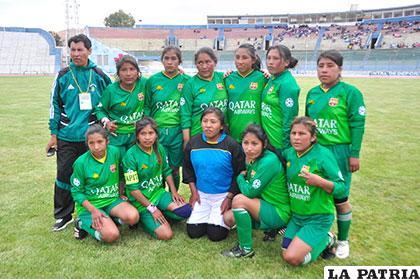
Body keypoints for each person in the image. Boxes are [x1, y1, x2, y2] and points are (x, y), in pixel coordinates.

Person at [46, 34, 112, 231]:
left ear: (89, 51)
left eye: (80, 50)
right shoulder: (63, 75)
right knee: (64, 175)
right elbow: (54, 106)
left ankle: (91, 212)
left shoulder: (99, 75)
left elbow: (111, 99)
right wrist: (53, 134)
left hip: (92, 138)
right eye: (72, 50)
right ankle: (63, 215)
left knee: (93, 175)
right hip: (67, 136)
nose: (76, 54)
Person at [305, 50, 366, 259]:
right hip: (316, 151)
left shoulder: (350, 92)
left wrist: (354, 153)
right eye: (321, 65)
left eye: (330, 65)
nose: (324, 70)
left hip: (339, 151)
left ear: (340, 68)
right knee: (317, 195)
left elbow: (358, 124)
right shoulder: (312, 93)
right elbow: (307, 126)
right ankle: (324, 237)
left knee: (340, 196)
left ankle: (343, 240)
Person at [282, 117, 345, 265]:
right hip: (297, 216)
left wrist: (320, 182)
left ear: (313, 137)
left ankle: (328, 239)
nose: (296, 138)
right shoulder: (289, 154)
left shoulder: (323, 155)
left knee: (293, 258)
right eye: (293, 133)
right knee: (285, 252)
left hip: (318, 218)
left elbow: (341, 188)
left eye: (302, 134)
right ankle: (316, 239)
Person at [221, 124, 291, 258]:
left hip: (278, 211)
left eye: (254, 143)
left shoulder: (269, 161)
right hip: (264, 205)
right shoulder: (252, 158)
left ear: (264, 144)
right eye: (245, 143)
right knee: (228, 219)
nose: (249, 148)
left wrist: (240, 177)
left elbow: (249, 192)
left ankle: (245, 249)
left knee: (239, 200)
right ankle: (271, 229)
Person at [123, 117, 192, 240]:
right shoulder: (130, 156)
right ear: (137, 136)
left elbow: (166, 170)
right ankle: (143, 219)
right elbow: (133, 189)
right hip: (142, 202)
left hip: (158, 194)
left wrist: (174, 191)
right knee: (166, 235)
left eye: (151, 133)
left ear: (156, 135)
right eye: (143, 133)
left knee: (186, 211)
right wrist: (152, 208)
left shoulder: (159, 148)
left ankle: (163, 210)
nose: (147, 137)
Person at [183, 107, 245, 241]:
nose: (208, 125)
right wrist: (194, 192)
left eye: (213, 122)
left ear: (221, 126)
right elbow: (188, 170)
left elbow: (239, 173)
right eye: (205, 121)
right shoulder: (193, 143)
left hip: (223, 196)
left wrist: (229, 198)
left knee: (216, 235)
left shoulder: (231, 145)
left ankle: (228, 218)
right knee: (194, 232)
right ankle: (206, 215)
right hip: (202, 195)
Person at [70, 124, 139, 242]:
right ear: (87, 144)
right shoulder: (81, 163)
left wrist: (120, 192)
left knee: (134, 217)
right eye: (91, 143)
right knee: (111, 235)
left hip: (111, 200)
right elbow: (77, 192)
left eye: (100, 141)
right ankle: (81, 223)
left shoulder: (115, 152)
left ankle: (110, 219)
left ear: (107, 141)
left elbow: (121, 174)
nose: (96, 147)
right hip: (91, 205)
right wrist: (93, 210)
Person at [145, 46, 190, 190]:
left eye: (173, 59)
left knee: (174, 168)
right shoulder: (153, 80)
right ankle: (160, 197)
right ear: (162, 60)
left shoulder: (187, 81)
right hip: (157, 132)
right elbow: (147, 106)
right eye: (166, 58)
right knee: (158, 167)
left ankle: (173, 196)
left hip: (177, 132)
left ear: (179, 61)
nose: (170, 62)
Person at [95, 54, 147, 158]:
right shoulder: (111, 90)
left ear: (138, 72)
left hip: (137, 135)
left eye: (132, 69)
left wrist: (178, 71)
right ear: (118, 73)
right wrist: (107, 122)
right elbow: (100, 110)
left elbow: (162, 81)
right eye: (124, 70)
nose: (128, 73)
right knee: (117, 168)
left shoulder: (145, 84)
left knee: (135, 168)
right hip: (116, 136)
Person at [180, 47, 228, 147]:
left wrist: (266, 74)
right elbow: (185, 114)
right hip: (199, 136)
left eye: (208, 62)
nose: (204, 66)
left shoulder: (224, 78)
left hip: (221, 136)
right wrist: (187, 140)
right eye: (200, 62)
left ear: (215, 62)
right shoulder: (190, 84)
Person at [261, 44, 300, 152]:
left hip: (279, 144)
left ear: (286, 62)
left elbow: (289, 119)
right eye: (268, 58)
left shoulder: (287, 84)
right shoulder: (272, 79)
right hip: (267, 141)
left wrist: (286, 146)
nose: (270, 62)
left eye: (275, 58)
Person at [225, 44, 267, 143]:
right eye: (237, 57)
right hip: (233, 135)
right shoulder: (227, 78)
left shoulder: (263, 78)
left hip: (255, 137)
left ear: (253, 60)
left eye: (244, 58)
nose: (240, 61)